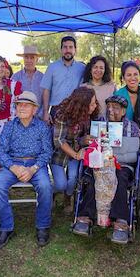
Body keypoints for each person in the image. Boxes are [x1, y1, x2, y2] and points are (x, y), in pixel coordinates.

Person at [72, 95, 140, 244]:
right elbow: (84, 142)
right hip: (99, 162)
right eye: (108, 106)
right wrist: (84, 140)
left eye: (115, 107)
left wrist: (115, 155)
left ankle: (120, 220)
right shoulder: (99, 123)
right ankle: (86, 216)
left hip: (122, 164)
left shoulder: (132, 127)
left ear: (123, 111)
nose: (110, 110)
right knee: (91, 178)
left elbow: (133, 155)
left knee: (121, 180)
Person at [0, 91, 53, 249]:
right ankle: (6, 228)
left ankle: (42, 227)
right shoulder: (10, 126)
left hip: (35, 165)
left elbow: (47, 152)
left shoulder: (42, 127)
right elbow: (0, 152)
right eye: (19, 104)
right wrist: (13, 167)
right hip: (13, 164)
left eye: (27, 105)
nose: (22, 107)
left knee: (46, 186)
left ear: (34, 109)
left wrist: (33, 169)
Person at [51, 87, 99, 215]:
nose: (95, 106)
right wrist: (75, 154)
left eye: (95, 102)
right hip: (59, 154)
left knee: (72, 178)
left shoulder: (89, 116)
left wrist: (85, 140)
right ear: (82, 105)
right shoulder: (62, 115)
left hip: (77, 150)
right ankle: (52, 192)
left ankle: (68, 197)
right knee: (61, 184)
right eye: (92, 103)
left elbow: (82, 139)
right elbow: (59, 140)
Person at [40, 36, 85, 123]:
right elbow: (46, 90)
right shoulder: (52, 67)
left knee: (74, 137)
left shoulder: (82, 68)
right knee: (55, 136)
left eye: (71, 47)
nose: (68, 50)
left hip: (75, 111)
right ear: (61, 49)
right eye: (65, 47)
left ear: (75, 49)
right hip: (56, 110)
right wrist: (45, 112)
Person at [13, 46, 44, 117]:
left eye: (32, 57)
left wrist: (41, 115)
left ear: (37, 59)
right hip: (20, 118)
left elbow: (46, 99)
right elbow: (11, 99)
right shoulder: (15, 77)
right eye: (26, 57)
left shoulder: (43, 77)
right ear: (23, 59)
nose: (29, 60)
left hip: (39, 117)